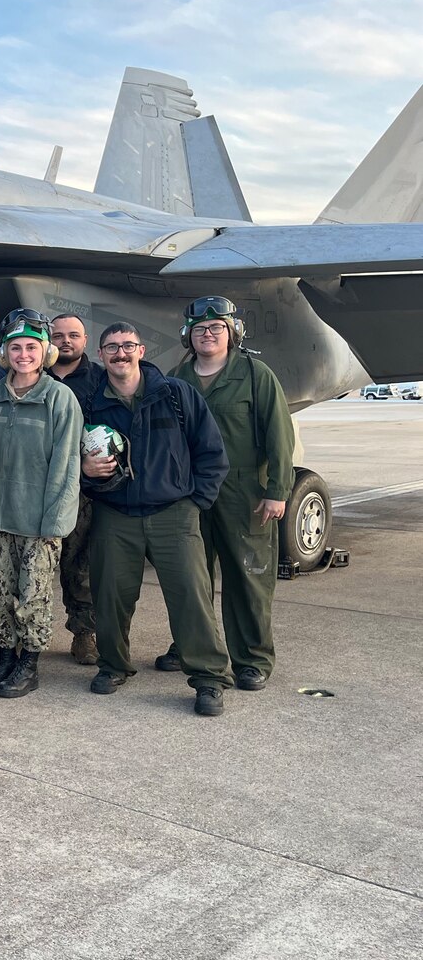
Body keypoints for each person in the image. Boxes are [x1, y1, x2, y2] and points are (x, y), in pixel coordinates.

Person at [80, 322, 234, 716]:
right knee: (110, 596)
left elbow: (211, 452)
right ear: (101, 355)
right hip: (115, 514)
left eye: (127, 346)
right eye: (111, 347)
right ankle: (113, 665)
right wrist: (86, 473)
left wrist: (195, 502)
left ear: (142, 350)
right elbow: (72, 461)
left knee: (191, 597)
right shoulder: (91, 403)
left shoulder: (176, 394)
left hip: (173, 513)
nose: (120, 353)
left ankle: (208, 678)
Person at [162, 296, 294, 691]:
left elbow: (279, 437)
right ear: (188, 335)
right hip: (190, 491)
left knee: (247, 576)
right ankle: (191, 646)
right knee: (191, 575)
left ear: (232, 332)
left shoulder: (256, 375)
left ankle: (252, 659)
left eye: (217, 327)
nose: (208, 334)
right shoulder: (175, 379)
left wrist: (277, 491)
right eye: (200, 329)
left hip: (244, 491)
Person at [0, 311, 81, 699]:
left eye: (32, 347)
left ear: (45, 352)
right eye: (15, 347)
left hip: (38, 520)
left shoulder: (59, 399)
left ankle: (29, 663)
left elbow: (67, 464)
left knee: (34, 596)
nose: (23, 354)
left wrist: (56, 520)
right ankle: (3, 657)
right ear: (4, 352)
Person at [47, 313, 105, 665]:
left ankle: (85, 633)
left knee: (79, 564)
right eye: (57, 335)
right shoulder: (32, 376)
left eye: (73, 335)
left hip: (84, 490)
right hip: (40, 486)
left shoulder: (101, 380)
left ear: (85, 341)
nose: (65, 341)